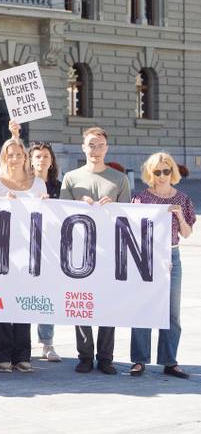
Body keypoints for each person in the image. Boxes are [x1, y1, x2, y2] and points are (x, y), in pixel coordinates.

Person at [60, 126, 130, 375]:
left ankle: (106, 357)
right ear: (83, 148)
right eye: (91, 145)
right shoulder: (71, 178)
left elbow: (128, 217)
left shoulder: (119, 179)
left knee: (108, 304)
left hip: (109, 251)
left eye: (100, 145)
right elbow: (61, 214)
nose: (95, 150)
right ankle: (85, 356)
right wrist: (78, 204)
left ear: (106, 148)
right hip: (79, 252)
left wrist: (114, 208)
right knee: (81, 303)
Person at [130, 152, 195, 379]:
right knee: (143, 309)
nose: (162, 175)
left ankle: (170, 361)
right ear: (150, 173)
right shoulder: (141, 199)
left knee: (172, 313)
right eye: (157, 171)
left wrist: (180, 217)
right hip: (147, 257)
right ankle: (139, 360)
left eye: (166, 171)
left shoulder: (182, 199)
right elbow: (133, 231)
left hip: (172, 256)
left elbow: (187, 233)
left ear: (172, 172)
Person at [0, 138, 46, 373]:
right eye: (9, 155)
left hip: (30, 250)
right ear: (4, 158)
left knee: (24, 300)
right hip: (2, 249)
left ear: (25, 157)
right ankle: (1, 354)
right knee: (1, 300)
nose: (14, 158)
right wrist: (2, 205)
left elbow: (46, 216)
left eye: (19, 154)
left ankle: (22, 354)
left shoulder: (38, 184)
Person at [28, 139, 62, 362]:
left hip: (51, 247)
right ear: (31, 160)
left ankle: (47, 343)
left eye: (46, 156)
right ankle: (20, 342)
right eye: (37, 156)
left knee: (47, 294)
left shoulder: (60, 187)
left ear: (52, 161)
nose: (42, 160)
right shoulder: (23, 184)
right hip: (24, 246)